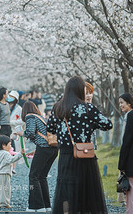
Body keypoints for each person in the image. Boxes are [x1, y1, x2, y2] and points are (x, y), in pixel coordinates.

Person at [47, 76, 112, 214]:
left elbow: (51, 128)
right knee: (87, 191)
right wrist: (91, 124)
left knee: (66, 191)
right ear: (80, 90)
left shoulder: (58, 107)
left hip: (65, 156)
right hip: (84, 156)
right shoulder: (88, 108)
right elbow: (107, 124)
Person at [16, 101, 58, 212]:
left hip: (44, 149)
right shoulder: (41, 117)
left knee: (33, 176)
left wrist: (22, 133)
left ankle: (36, 206)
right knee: (42, 177)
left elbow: (30, 132)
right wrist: (36, 150)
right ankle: (46, 205)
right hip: (53, 149)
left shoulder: (30, 116)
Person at [0, 135, 24, 209]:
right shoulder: (6, 153)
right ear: (4, 145)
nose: (11, 146)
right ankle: (4, 203)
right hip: (4, 175)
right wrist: (20, 154)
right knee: (5, 190)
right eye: (9, 144)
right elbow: (11, 160)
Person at [118, 93, 133, 214]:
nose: (120, 105)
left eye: (122, 102)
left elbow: (126, 141)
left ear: (129, 103)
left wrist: (121, 164)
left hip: (131, 160)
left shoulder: (130, 116)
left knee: (131, 191)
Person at [7, 90, 25, 173]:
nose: (10, 99)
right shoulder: (5, 106)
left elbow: (22, 121)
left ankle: (13, 167)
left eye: (12, 97)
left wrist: (12, 122)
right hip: (7, 130)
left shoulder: (19, 109)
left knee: (14, 150)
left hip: (15, 131)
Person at [85, 82, 97, 150]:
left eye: (90, 93)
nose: (89, 95)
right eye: (86, 93)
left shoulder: (92, 108)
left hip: (91, 143)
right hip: (82, 145)